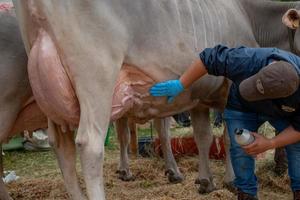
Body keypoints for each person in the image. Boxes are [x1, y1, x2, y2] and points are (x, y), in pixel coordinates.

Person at [149, 44, 300, 200]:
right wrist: (181, 84)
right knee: (241, 147)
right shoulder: (248, 59)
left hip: (284, 112)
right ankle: (246, 193)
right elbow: (209, 58)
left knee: (297, 147)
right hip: (242, 106)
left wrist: (271, 143)